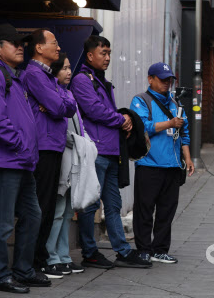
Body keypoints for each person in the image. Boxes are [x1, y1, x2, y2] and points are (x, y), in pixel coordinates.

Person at [0, 24, 51, 293]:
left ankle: (22, 270)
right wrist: (21, 145)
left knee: (33, 216)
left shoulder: (17, 79)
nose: (21, 46)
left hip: (23, 163)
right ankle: (0, 277)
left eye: (22, 43)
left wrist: (27, 152)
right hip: (5, 162)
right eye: (13, 42)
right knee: (2, 222)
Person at [70, 35, 151, 269]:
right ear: (89, 55)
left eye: (109, 53)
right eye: (102, 53)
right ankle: (90, 251)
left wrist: (123, 120)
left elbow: (103, 111)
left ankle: (123, 251)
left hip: (111, 151)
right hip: (96, 151)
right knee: (90, 205)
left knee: (113, 205)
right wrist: (120, 119)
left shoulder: (100, 80)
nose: (107, 58)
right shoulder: (82, 80)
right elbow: (94, 110)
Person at [22, 29, 77, 279]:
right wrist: (56, 104)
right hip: (42, 146)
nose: (58, 47)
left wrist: (57, 103)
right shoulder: (34, 74)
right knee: (41, 206)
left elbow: (68, 104)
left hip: (53, 145)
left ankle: (40, 259)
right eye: (53, 43)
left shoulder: (49, 78)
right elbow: (59, 105)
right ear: (39, 48)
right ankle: (33, 261)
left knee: (48, 204)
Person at [130, 62, 195, 264]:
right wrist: (169, 123)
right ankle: (143, 249)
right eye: (162, 79)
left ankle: (160, 249)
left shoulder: (175, 104)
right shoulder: (141, 101)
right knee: (144, 209)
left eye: (169, 80)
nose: (167, 83)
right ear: (150, 79)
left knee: (167, 210)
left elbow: (183, 132)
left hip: (172, 166)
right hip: (149, 165)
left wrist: (188, 158)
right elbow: (142, 127)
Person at [44, 53, 86, 276]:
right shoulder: (53, 95)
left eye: (70, 68)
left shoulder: (69, 94)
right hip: (62, 159)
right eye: (64, 68)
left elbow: (79, 126)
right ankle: (51, 256)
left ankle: (64, 256)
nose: (69, 72)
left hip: (74, 159)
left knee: (68, 211)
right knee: (58, 210)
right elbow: (66, 132)